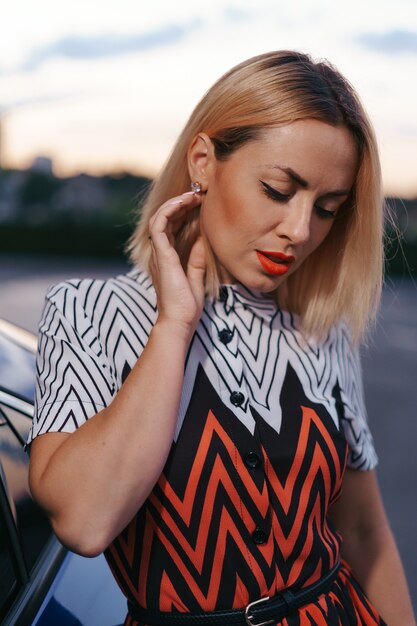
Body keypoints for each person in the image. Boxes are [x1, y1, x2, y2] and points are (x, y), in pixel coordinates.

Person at [28, 51, 415, 626]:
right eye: (279, 190)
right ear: (203, 162)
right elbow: (85, 522)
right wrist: (174, 325)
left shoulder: (321, 324)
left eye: (329, 209)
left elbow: (363, 530)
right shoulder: (90, 312)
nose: (301, 230)